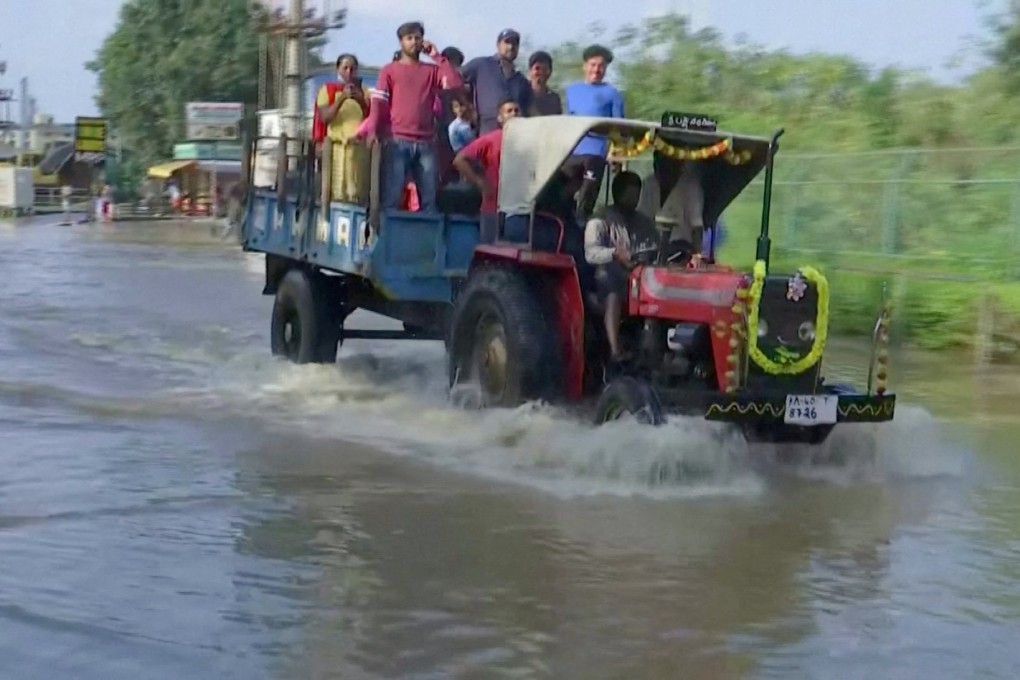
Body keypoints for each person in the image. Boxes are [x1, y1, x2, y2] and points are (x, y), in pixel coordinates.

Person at [362, 22, 462, 213]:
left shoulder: (432, 71)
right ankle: (387, 238)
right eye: (409, 38)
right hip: (397, 141)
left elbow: (455, 83)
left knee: (429, 201)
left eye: (417, 38)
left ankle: (426, 240)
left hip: (426, 142)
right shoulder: (389, 70)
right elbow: (379, 103)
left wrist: (436, 55)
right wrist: (373, 131)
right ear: (401, 42)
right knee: (392, 197)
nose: (414, 42)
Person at [584, 171, 658, 363]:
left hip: (638, 278)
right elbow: (590, 254)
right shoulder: (599, 220)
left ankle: (654, 350)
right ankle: (615, 351)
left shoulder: (645, 223)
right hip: (602, 279)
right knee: (613, 287)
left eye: (637, 195)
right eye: (630, 195)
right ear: (617, 193)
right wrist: (614, 254)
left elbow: (654, 248)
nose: (634, 200)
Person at [564, 44, 625, 219]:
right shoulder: (572, 90)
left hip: (597, 153)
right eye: (593, 65)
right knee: (561, 188)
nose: (596, 69)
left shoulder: (613, 94)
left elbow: (619, 128)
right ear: (585, 66)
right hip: (573, 151)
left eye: (601, 66)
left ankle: (583, 220)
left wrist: (616, 155)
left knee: (588, 192)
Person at [452, 98, 520, 241]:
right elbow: (459, 160)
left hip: (519, 209)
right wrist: (479, 182)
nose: (514, 114)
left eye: (517, 111)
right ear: (500, 118)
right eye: (509, 111)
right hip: (492, 206)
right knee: (490, 254)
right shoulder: (490, 140)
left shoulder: (528, 141)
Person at [313, 53, 370, 204]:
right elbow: (325, 117)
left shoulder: (365, 91)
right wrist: (342, 98)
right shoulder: (327, 90)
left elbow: (371, 116)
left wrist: (360, 99)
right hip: (336, 148)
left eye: (353, 69)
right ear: (338, 69)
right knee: (335, 191)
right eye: (345, 68)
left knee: (356, 191)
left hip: (358, 150)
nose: (349, 72)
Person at [637, 151, 706, 264]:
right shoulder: (649, 183)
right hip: (652, 246)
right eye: (659, 163)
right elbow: (643, 218)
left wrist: (696, 254)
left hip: (680, 247)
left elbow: (697, 226)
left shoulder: (690, 186)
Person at [461, 29, 532, 134]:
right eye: (507, 42)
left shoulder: (521, 80)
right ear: (498, 45)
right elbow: (454, 79)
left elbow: (527, 110)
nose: (511, 47)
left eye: (515, 43)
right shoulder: (481, 65)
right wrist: (466, 106)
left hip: (514, 136)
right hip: (487, 130)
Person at [527, 51, 562, 116]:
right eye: (537, 68)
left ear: (550, 72)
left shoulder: (554, 99)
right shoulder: (522, 95)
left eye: (545, 69)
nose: (541, 72)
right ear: (530, 71)